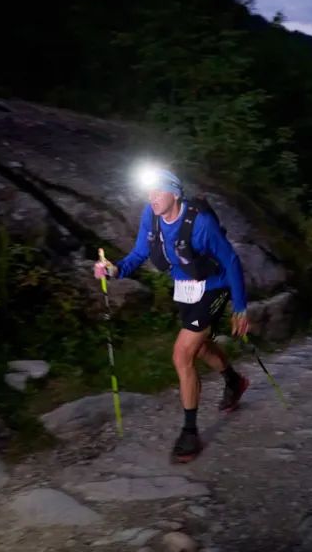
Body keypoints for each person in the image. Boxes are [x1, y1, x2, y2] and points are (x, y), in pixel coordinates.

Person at [94, 168, 250, 463]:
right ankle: (233, 381)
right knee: (200, 347)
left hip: (215, 288)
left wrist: (240, 307)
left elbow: (230, 260)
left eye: (157, 191)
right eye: (148, 191)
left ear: (174, 194)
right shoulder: (150, 216)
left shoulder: (201, 223)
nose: (151, 197)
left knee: (181, 354)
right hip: (185, 289)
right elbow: (139, 254)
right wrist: (113, 271)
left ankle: (190, 433)